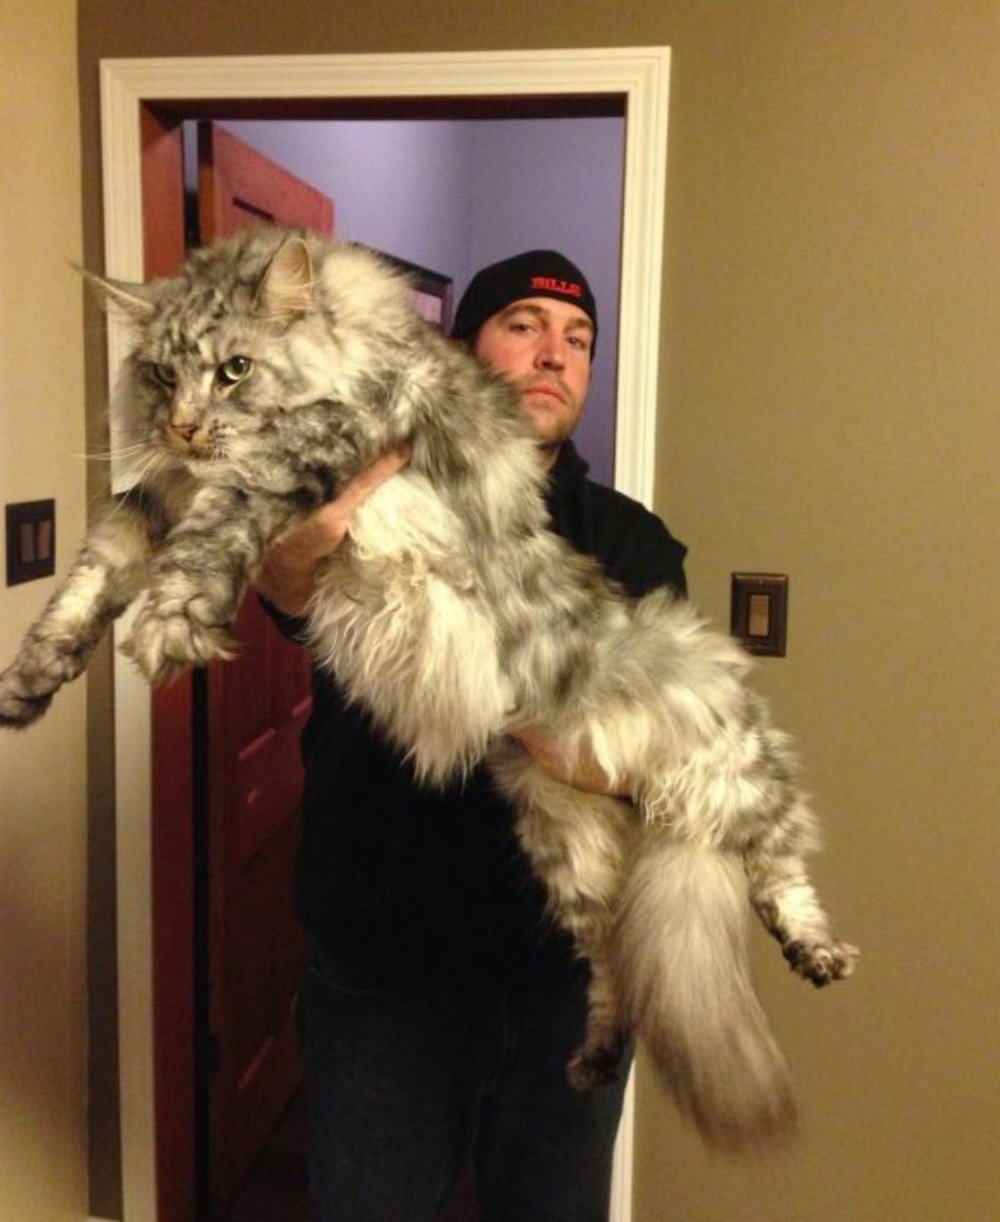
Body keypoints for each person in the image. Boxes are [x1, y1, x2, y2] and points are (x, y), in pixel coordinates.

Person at [255, 250, 688, 1220]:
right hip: (382, 975)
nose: (555, 354)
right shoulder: (373, 496)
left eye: (578, 338)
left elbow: (654, 755)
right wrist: (291, 559)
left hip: (562, 982)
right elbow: (290, 591)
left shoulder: (630, 542)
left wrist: (496, 691)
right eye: (524, 325)